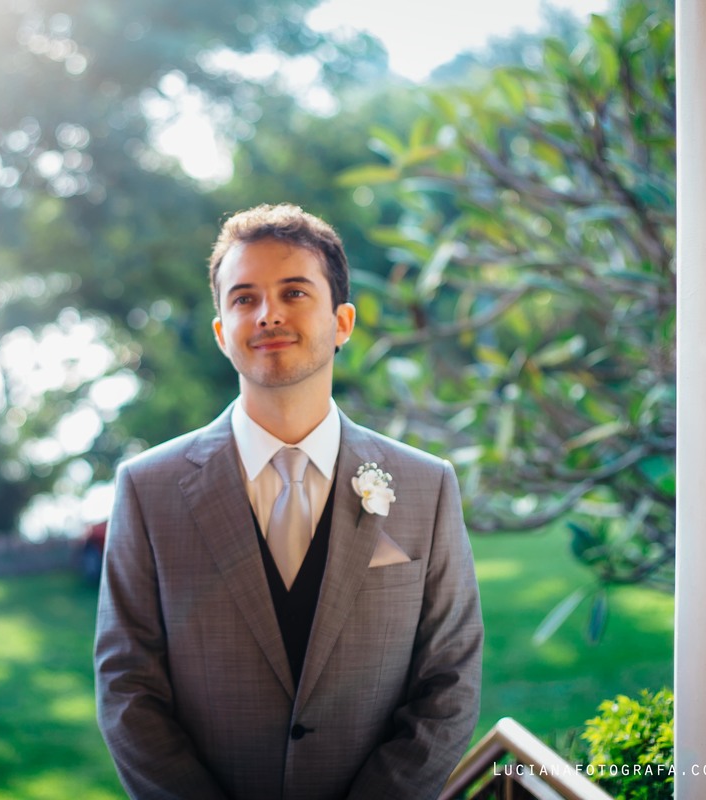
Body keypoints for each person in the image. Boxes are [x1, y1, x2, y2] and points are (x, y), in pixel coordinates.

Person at [94, 203, 483, 800]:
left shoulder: (426, 486)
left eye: (294, 292)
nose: (268, 313)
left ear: (343, 322)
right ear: (223, 332)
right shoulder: (148, 489)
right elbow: (127, 690)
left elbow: (450, 680)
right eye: (244, 298)